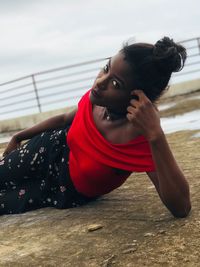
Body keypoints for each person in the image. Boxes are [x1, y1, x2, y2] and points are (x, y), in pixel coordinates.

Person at [0, 36, 191, 217]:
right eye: (106, 68)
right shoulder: (97, 101)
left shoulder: (140, 137)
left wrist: (155, 135)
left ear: (139, 98)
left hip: (61, 190)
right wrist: (19, 136)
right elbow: (65, 119)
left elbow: (181, 208)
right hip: (45, 150)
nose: (100, 82)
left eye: (115, 84)